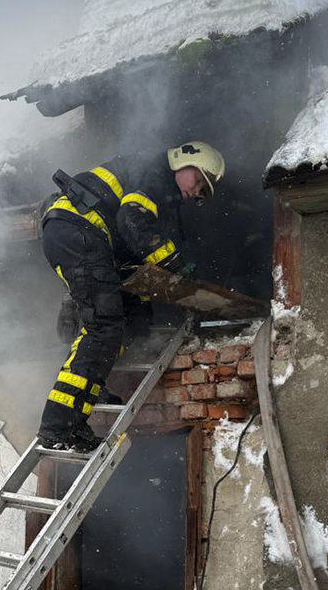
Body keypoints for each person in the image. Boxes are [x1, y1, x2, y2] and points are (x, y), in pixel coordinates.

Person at [36, 141, 225, 452]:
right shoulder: (155, 173)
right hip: (80, 233)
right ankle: (58, 427)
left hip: (85, 239)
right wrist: (175, 265)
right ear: (184, 161)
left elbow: (130, 234)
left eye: (203, 193)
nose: (196, 193)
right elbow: (131, 221)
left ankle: (89, 386)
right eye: (199, 182)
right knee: (104, 327)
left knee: (133, 318)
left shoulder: (160, 187)